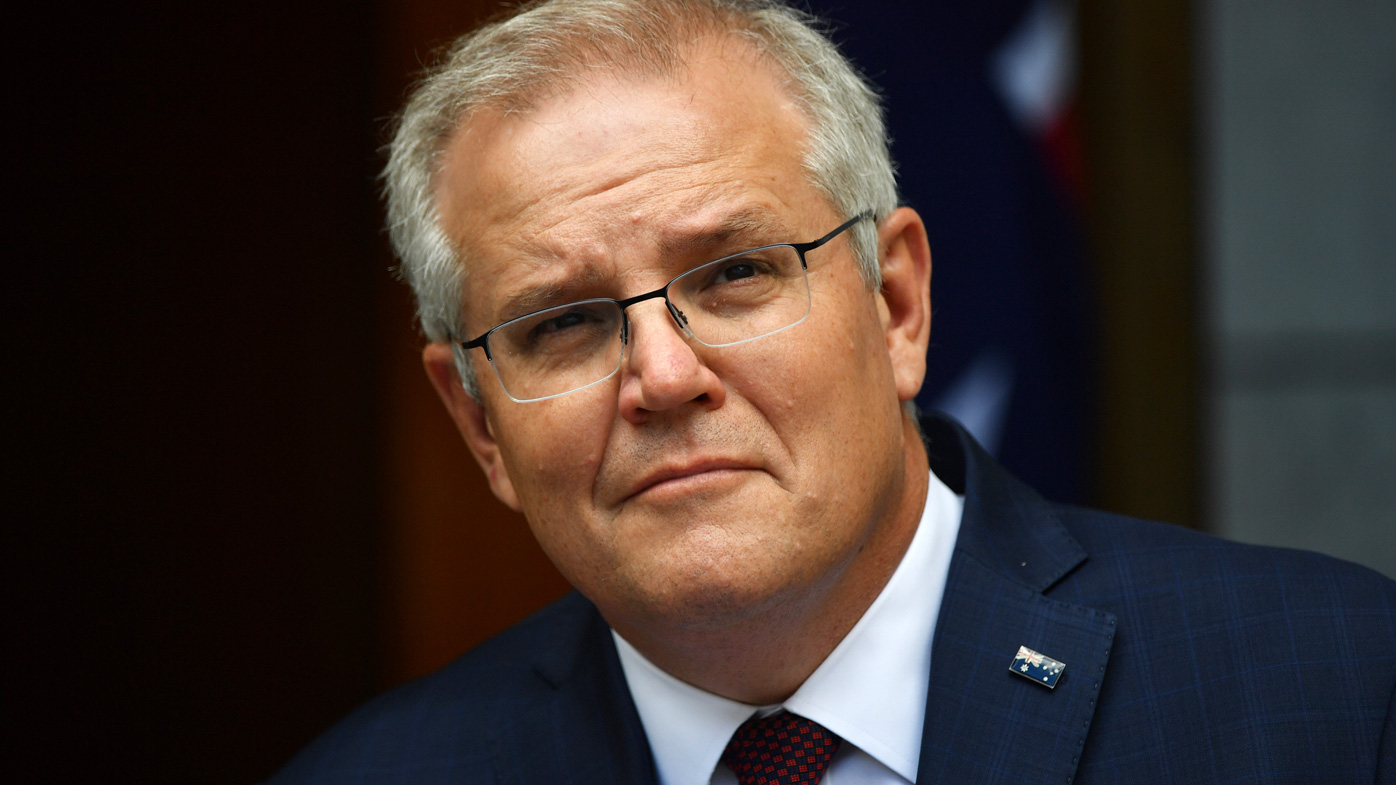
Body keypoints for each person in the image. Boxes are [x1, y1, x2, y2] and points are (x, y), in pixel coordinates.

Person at [268, 1, 1395, 782]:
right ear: (478, 422)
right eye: (562, 324)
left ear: (896, 305)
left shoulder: (1332, 689)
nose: (663, 375)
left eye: (736, 273)